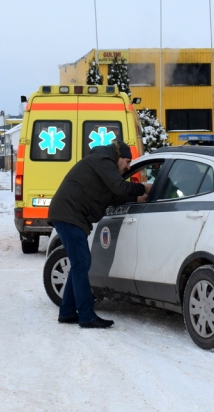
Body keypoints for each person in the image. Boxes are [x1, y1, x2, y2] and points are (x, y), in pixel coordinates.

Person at [47, 140, 150, 328]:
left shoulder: (102, 164)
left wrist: (135, 197)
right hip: (69, 215)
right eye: (127, 161)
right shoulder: (103, 160)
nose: (128, 167)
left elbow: (114, 195)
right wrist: (144, 188)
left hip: (68, 214)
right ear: (118, 157)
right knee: (81, 264)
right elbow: (119, 187)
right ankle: (86, 316)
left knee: (79, 264)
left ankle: (67, 312)